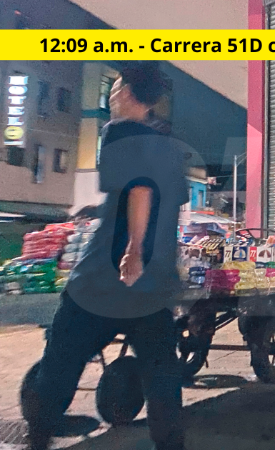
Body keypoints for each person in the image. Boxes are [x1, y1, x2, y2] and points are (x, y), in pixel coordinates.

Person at [23, 62, 189, 450]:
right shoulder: (170, 146)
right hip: (154, 286)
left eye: (114, 90)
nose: (111, 97)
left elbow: (140, 190)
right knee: (162, 377)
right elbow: (167, 208)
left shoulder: (117, 133)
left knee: (61, 361)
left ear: (129, 95)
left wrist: (132, 250)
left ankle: (39, 435)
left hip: (106, 279)